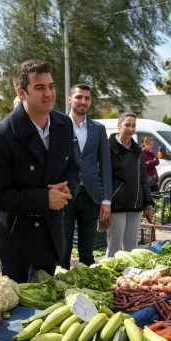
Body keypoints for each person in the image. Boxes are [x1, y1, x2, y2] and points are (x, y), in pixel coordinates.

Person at [0, 59, 79, 282]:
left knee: (50, 306)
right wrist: (44, 199)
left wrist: (67, 189)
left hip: (53, 235)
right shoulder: (0, 137)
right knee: (20, 313)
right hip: (17, 242)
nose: (49, 94)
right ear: (22, 92)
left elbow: (73, 168)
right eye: (40, 87)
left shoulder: (64, 125)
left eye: (51, 86)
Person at [61, 84, 112, 268]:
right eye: (79, 97)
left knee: (87, 250)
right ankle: (61, 285)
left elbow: (106, 166)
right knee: (63, 248)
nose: (83, 101)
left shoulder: (98, 129)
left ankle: (87, 289)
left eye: (87, 98)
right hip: (65, 194)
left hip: (91, 196)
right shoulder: (58, 125)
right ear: (70, 99)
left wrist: (106, 200)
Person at [107, 113, 154, 256]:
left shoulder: (137, 150)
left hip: (135, 205)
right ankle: (110, 276)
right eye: (127, 125)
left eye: (133, 125)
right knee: (114, 246)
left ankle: (127, 277)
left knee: (132, 248)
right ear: (119, 126)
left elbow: (143, 179)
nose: (130, 128)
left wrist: (148, 203)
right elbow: (103, 177)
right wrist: (105, 202)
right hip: (116, 204)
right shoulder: (108, 148)